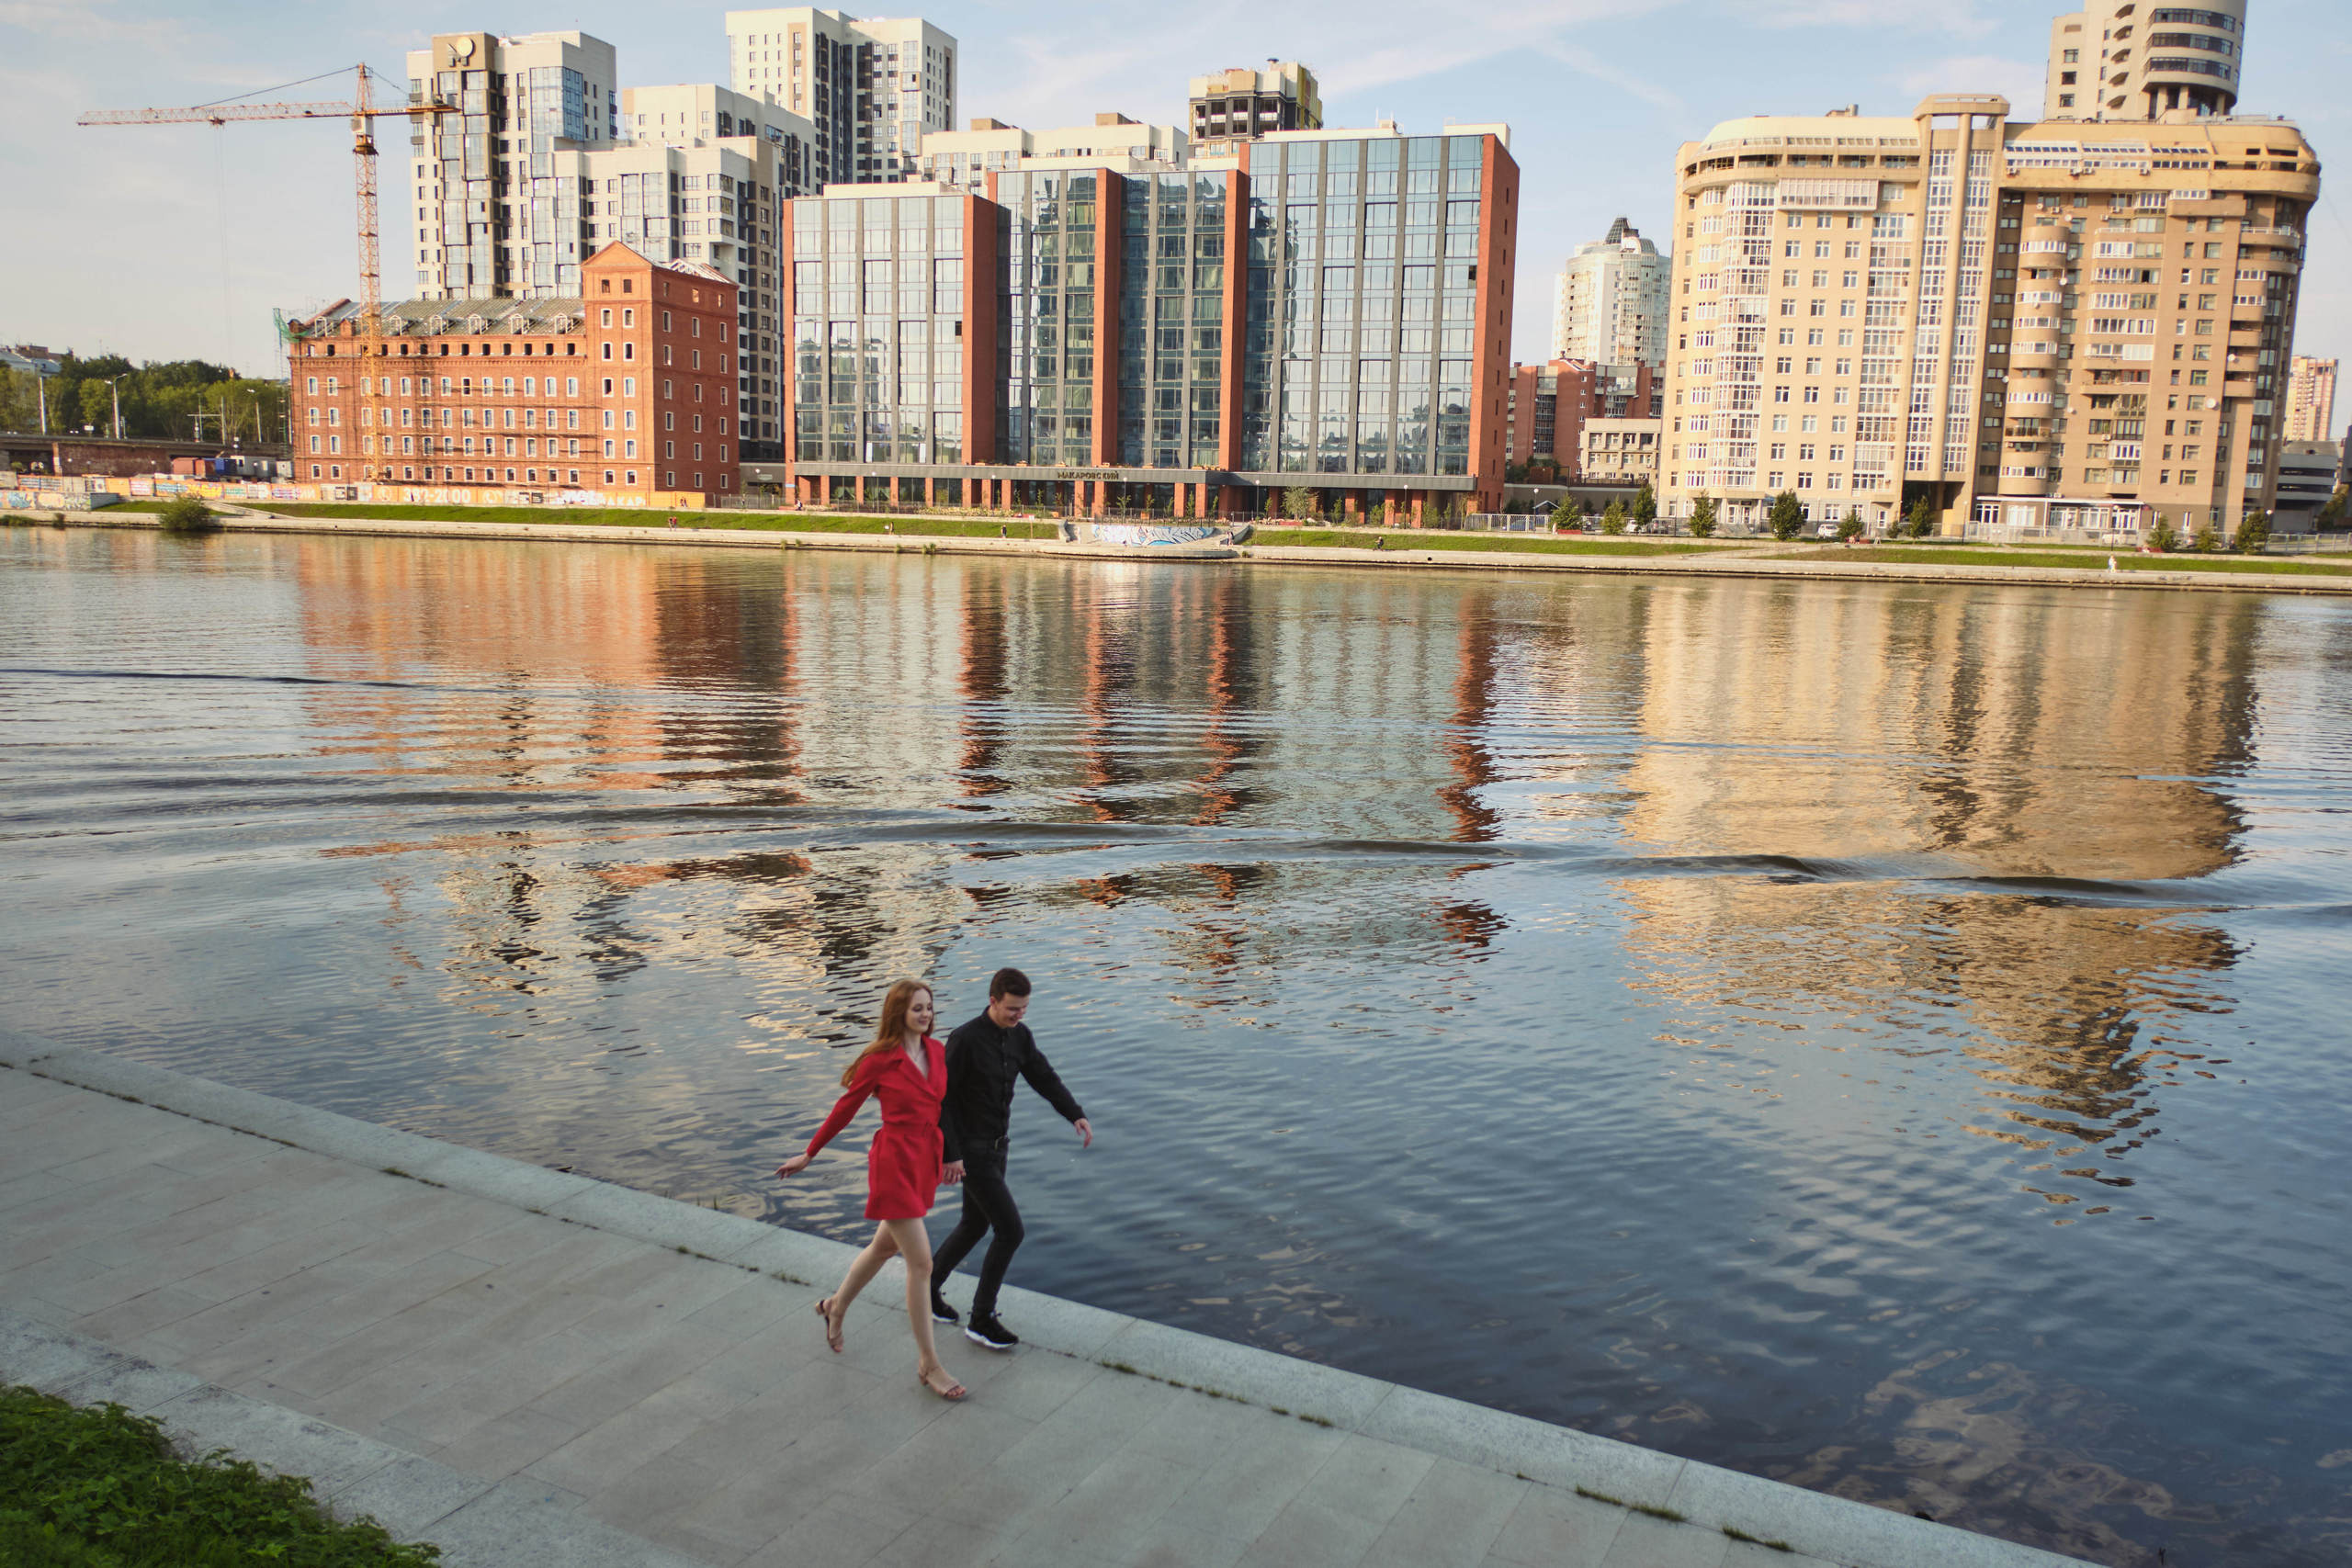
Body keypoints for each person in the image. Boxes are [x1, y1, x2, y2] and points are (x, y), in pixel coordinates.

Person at [776, 978, 967, 1402]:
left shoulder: (937, 1052)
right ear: (898, 1011)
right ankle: (928, 1364)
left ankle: (835, 1307)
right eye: (917, 1008)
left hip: (924, 1161)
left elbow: (943, 1108)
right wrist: (810, 1154)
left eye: (929, 1008)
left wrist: (952, 1155)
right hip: (893, 1163)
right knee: (921, 1265)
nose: (925, 1015)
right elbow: (845, 1109)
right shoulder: (879, 1060)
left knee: (883, 1248)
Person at [928, 968, 1091, 1350]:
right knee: (1011, 1230)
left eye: (1023, 1009)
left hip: (999, 1146)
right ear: (993, 1001)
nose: (1018, 1015)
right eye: (1012, 1009)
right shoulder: (965, 1040)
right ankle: (981, 1319)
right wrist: (950, 1155)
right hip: (972, 1150)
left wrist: (1075, 1113)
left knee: (973, 1224)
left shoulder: (1020, 1037)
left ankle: (926, 1290)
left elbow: (1043, 1076)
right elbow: (942, 1101)